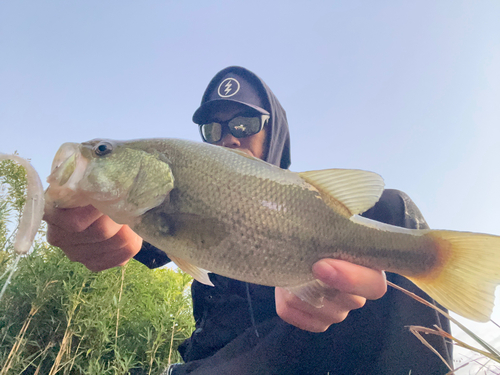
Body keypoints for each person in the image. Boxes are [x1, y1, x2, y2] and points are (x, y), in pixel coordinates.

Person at [44, 66, 452, 374]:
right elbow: (136, 238)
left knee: (390, 211)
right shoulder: (163, 202)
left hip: (306, 352)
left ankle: (440, 260)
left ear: (274, 132)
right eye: (213, 128)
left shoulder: (318, 204)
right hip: (209, 362)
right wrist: (97, 226)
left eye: (245, 123)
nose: (230, 136)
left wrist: (319, 286)